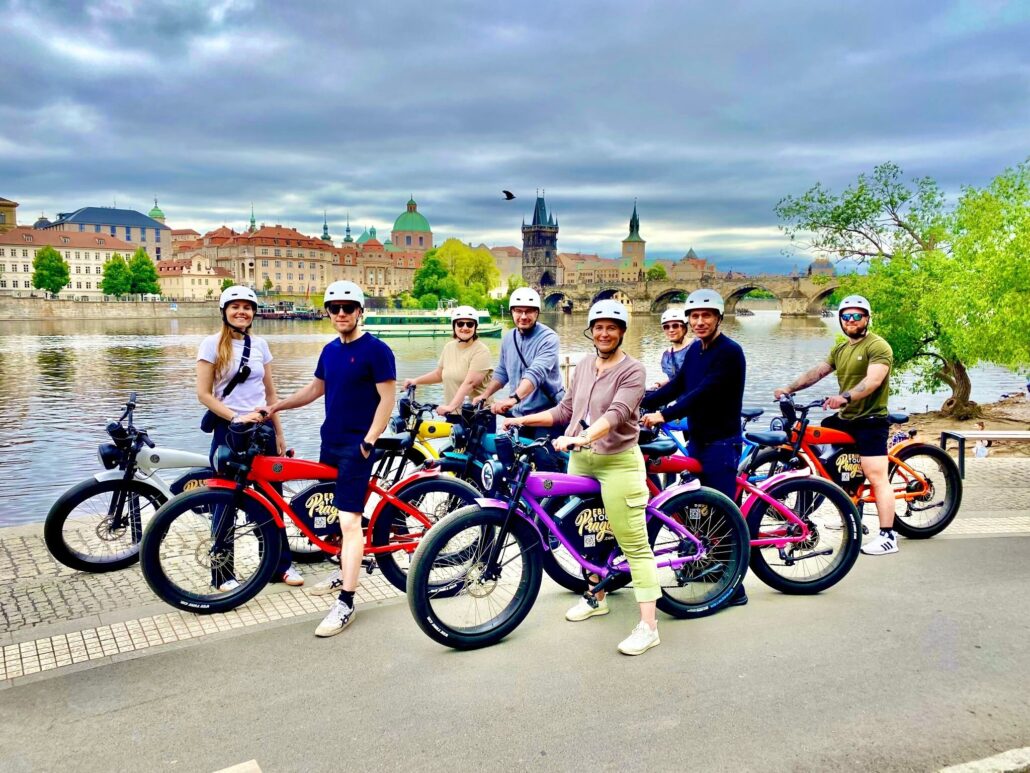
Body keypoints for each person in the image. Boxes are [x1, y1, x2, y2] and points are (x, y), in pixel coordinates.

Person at [503, 299, 661, 655]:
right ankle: (596, 597)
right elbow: (566, 410)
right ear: (591, 331)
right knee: (588, 534)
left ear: (622, 332)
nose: (604, 333)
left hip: (617, 461)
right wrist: (521, 419)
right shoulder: (586, 364)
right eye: (599, 327)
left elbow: (618, 414)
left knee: (633, 542)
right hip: (581, 461)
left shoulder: (634, 370)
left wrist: (583, 436)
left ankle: (649, 626)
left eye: (612, 328)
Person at [262, 280, 397, 637]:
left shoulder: (377, 350)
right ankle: (344, 567)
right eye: (334, 308)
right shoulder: (329, 351)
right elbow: (315, 389)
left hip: (357, 446)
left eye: (347, 308)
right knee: (333, 511)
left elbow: (387, 400)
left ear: (359, 312)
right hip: (331, 441)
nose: (340, 313)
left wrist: (369, 440)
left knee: (350, 522)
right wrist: (278, 405)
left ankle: (347, 602)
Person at [641, 289, 748, 605]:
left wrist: (663, 414)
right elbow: (677, 386)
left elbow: (702, 392)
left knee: (723, 512)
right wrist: (638, 399)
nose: (699, 322)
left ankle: (734, 589)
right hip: (698, 441)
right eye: (695, 317)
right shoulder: (695, 352)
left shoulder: (730, 352)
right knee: (698, 509)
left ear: (718, 318)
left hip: (721, 442)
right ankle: (712, 568)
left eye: (706, 316)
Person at [774, 294, 897, 555]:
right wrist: (789, 387)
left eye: (857, 316)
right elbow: (817, 372)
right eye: (846, 316)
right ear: (840, 320)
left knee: (876, 475)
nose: (851, 320)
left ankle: (888, 535)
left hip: (871, 420)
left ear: (867, 318)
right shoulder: (841, 349)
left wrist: (845, 397)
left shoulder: (878, 346)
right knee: (827, 460)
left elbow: (873, 381)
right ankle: (850, 508)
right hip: (845, 420)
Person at [196, 285, 301, 589]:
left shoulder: (260, 345)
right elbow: (203, 393)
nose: (242, 311)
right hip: (230, 431)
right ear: (224, 311)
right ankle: (222, 573)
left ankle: (278, 565)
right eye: (235, 307)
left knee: (273, 498)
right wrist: (235, 416)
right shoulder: (211, 344)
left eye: (247, 307)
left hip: (262, 430)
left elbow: (270, 393)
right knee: (225, 500)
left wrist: (279, 432)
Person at [475, 287, 565, 436]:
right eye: (518, 311)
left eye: (529, 311)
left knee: (543, 457)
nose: (523, 316)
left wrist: (513, 399)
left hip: (545, 415)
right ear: (512, 312)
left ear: (537, 313)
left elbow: (536, 373)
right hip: (518, 414)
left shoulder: (549, 338)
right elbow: (502, 372)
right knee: (508, 455)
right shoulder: (509, 338)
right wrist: (485, 395)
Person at [403, 305, 493, 415]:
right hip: (452, 413)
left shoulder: (481, 351)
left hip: (478, 415)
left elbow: (471, 383)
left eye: (470, 324)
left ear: (475, 327)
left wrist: (451, 406)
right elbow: (439, 374)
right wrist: (416, 381)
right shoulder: (449, 347)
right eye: (460, 324)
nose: (465, 328)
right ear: (454, 326)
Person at [652, 306, 689, 389]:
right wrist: (659, 384)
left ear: (684, 327)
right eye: (666, 327)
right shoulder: (667, 354)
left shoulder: (697, 346)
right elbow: (676, 380)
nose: (671, 330)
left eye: (675, 326)